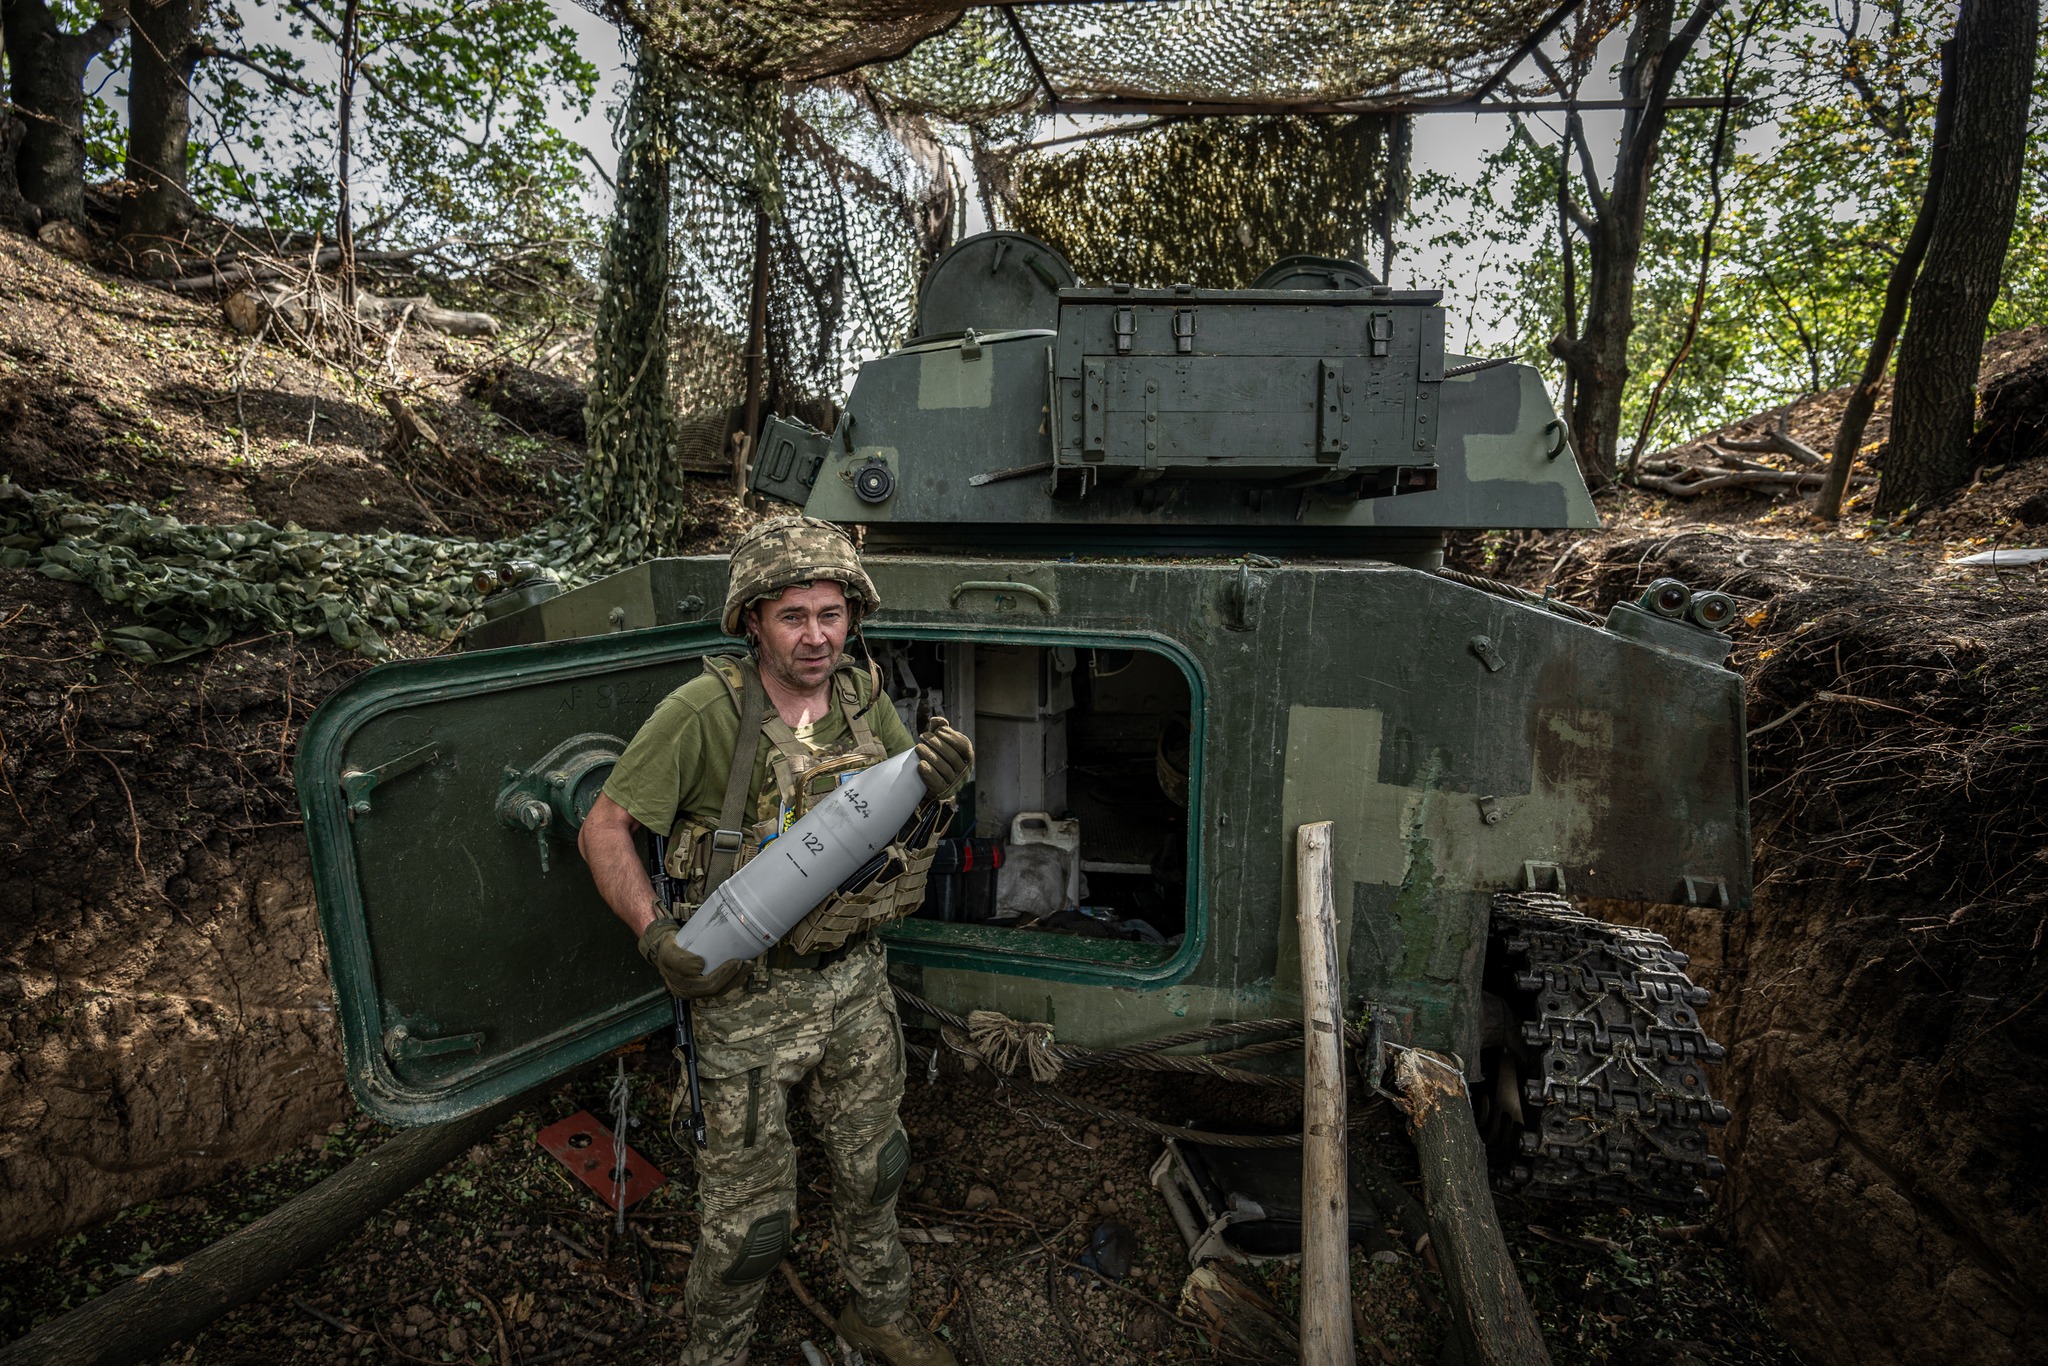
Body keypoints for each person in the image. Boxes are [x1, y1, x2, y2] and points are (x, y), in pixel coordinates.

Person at [577, 516, 971, 1366]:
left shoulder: (864, 700)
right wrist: (654, 935)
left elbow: (907, 811)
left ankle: (880, 1313)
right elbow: (603, 829)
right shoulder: (702, 714)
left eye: (832, 614)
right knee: (751, 1220)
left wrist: (940, 786)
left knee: (877, 1167)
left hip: (856, 982)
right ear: (753, 619)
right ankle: (713, 1355)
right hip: (747, 998)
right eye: (794, 616)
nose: (818, 635)